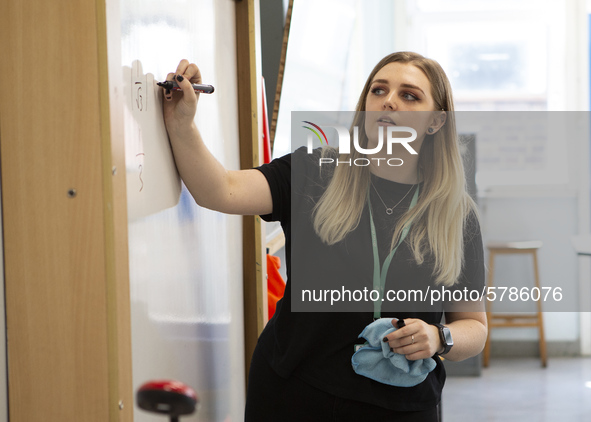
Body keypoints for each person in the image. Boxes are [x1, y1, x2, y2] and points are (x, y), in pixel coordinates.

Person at [162, 51, 487, 422]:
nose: (389, 101)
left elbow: (474, 328)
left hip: (401, 405)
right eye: (378, 90)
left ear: (435, 122)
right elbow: (219, 190)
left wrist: (438, 338)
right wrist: (182, 124)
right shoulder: (316, 174)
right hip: (295, 394)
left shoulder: (456, 215)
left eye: (410, 95)